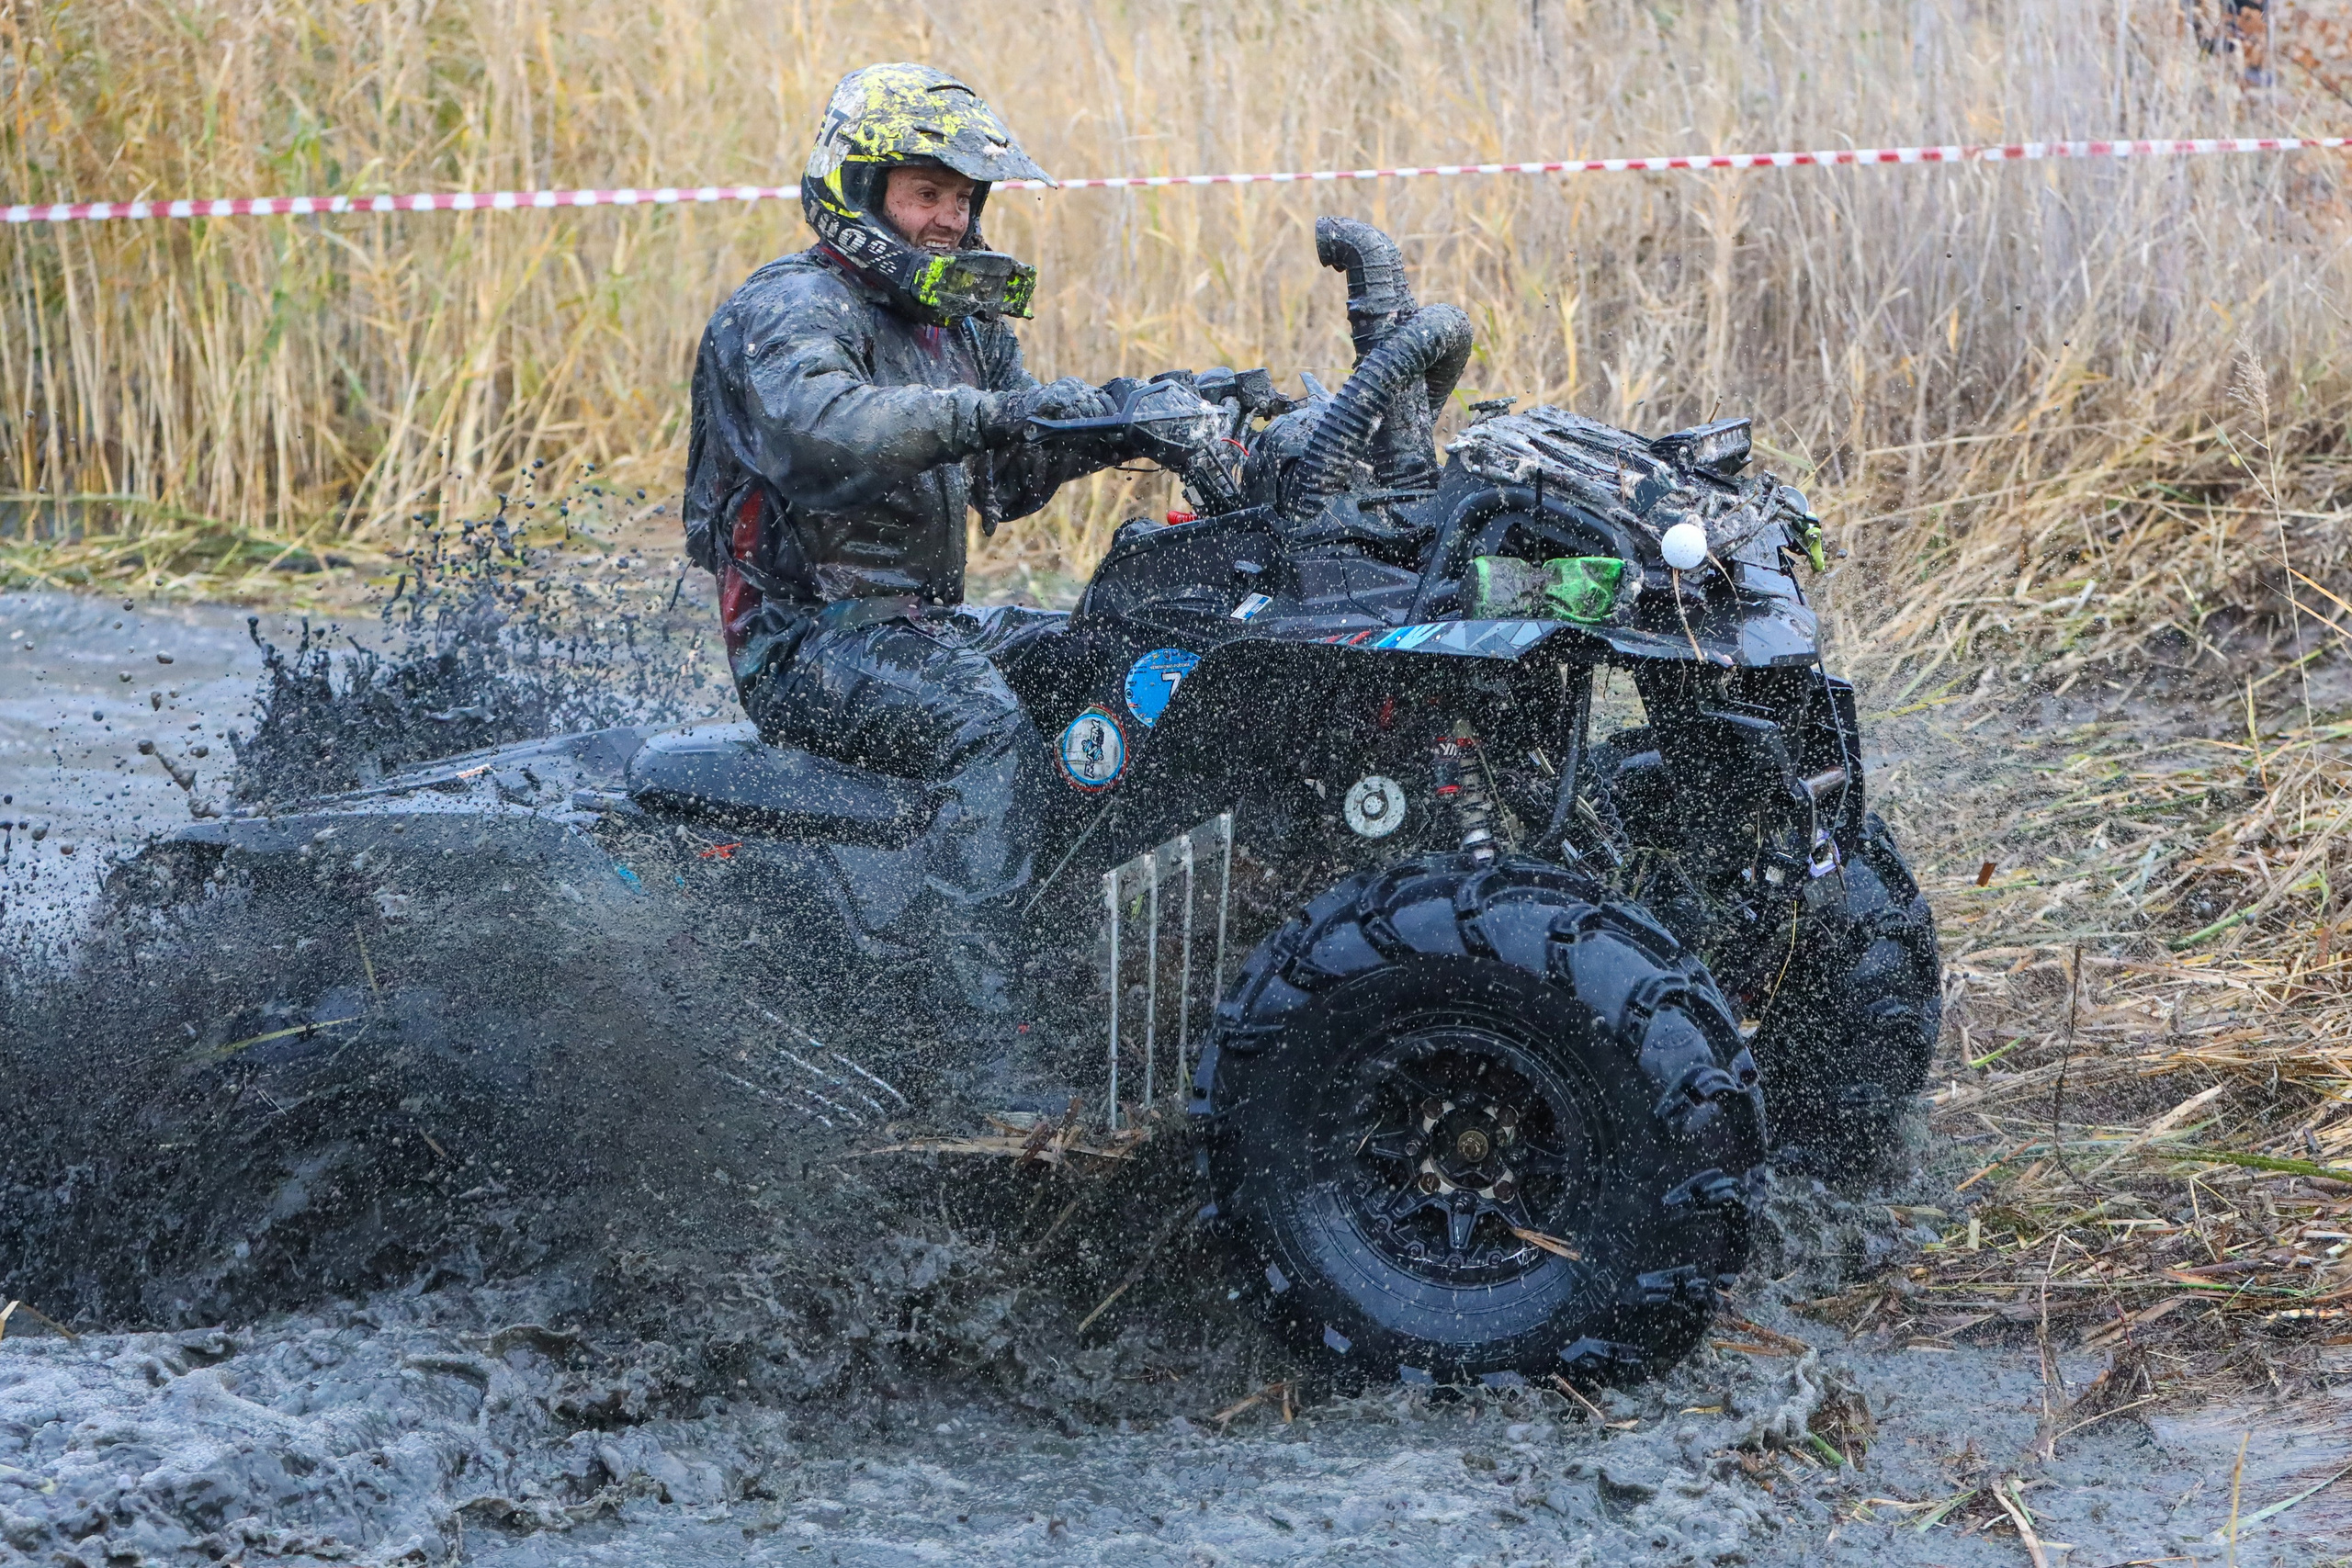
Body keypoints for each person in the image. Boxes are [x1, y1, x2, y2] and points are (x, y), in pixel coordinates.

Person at [681, 62, 1125, 1094]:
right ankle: (978, 1051)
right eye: (928, 193)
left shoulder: (958, 324)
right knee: (985, 732)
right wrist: (983, 415)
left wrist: (1134, 417)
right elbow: (822, 431)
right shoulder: (790, 308)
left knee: (1105, 657)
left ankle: (1084, 968)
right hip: (808, 639)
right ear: (860, 187)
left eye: (964, 198)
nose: (950, 220)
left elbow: (1012, 476)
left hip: (918, 625)